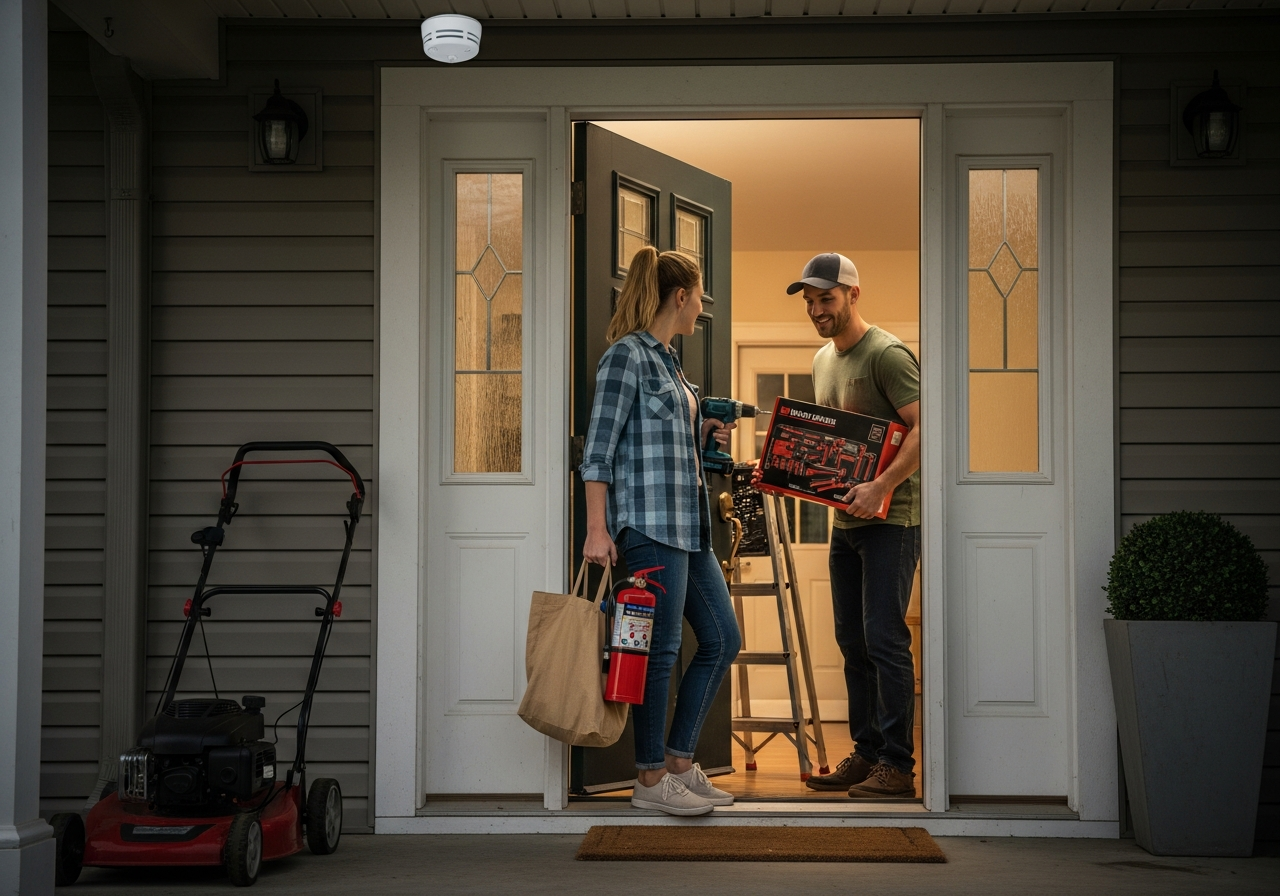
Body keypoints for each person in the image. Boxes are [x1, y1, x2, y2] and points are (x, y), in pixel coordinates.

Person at [579, 246, 742, 817]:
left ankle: (678, 762)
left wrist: (704, 439)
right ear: (681, 296)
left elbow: (658, 446)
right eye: (700, 296)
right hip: (647, 527)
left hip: (689, 527)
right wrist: (597, 531)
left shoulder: (671, 363)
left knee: (723, 639)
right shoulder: (626, 358)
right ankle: (649, 777)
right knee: (658, 653)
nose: (702, 306)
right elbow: (598, 452)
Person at [790, 253, 923, 799]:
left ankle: (898, 764)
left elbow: (925, 427)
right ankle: (867, 754)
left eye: (827, 297)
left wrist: (882, 485)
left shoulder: (886, 355)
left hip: (893, 521)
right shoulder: (823, 359)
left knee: (884, 639)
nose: (818, 309)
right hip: (844, 523)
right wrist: (786, 471)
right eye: (811, 300)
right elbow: (834, 447)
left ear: (853, 294)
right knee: (851, 640)